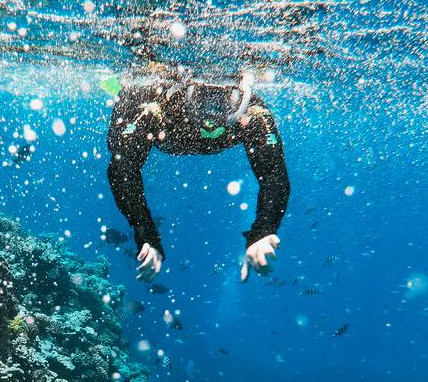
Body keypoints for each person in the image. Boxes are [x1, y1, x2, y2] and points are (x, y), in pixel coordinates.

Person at [104, 63, 290, 282]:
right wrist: (146, 235)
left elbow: (273, 173)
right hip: (157, 122)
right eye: (200, 97)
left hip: (169, 134)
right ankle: (119, 85)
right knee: (118, 142)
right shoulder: (157, 106)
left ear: (240, 96)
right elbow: (122, 168)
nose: (209, 115)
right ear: (185, 91)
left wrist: (263, 230)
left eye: (222, 101)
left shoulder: (252, 113)